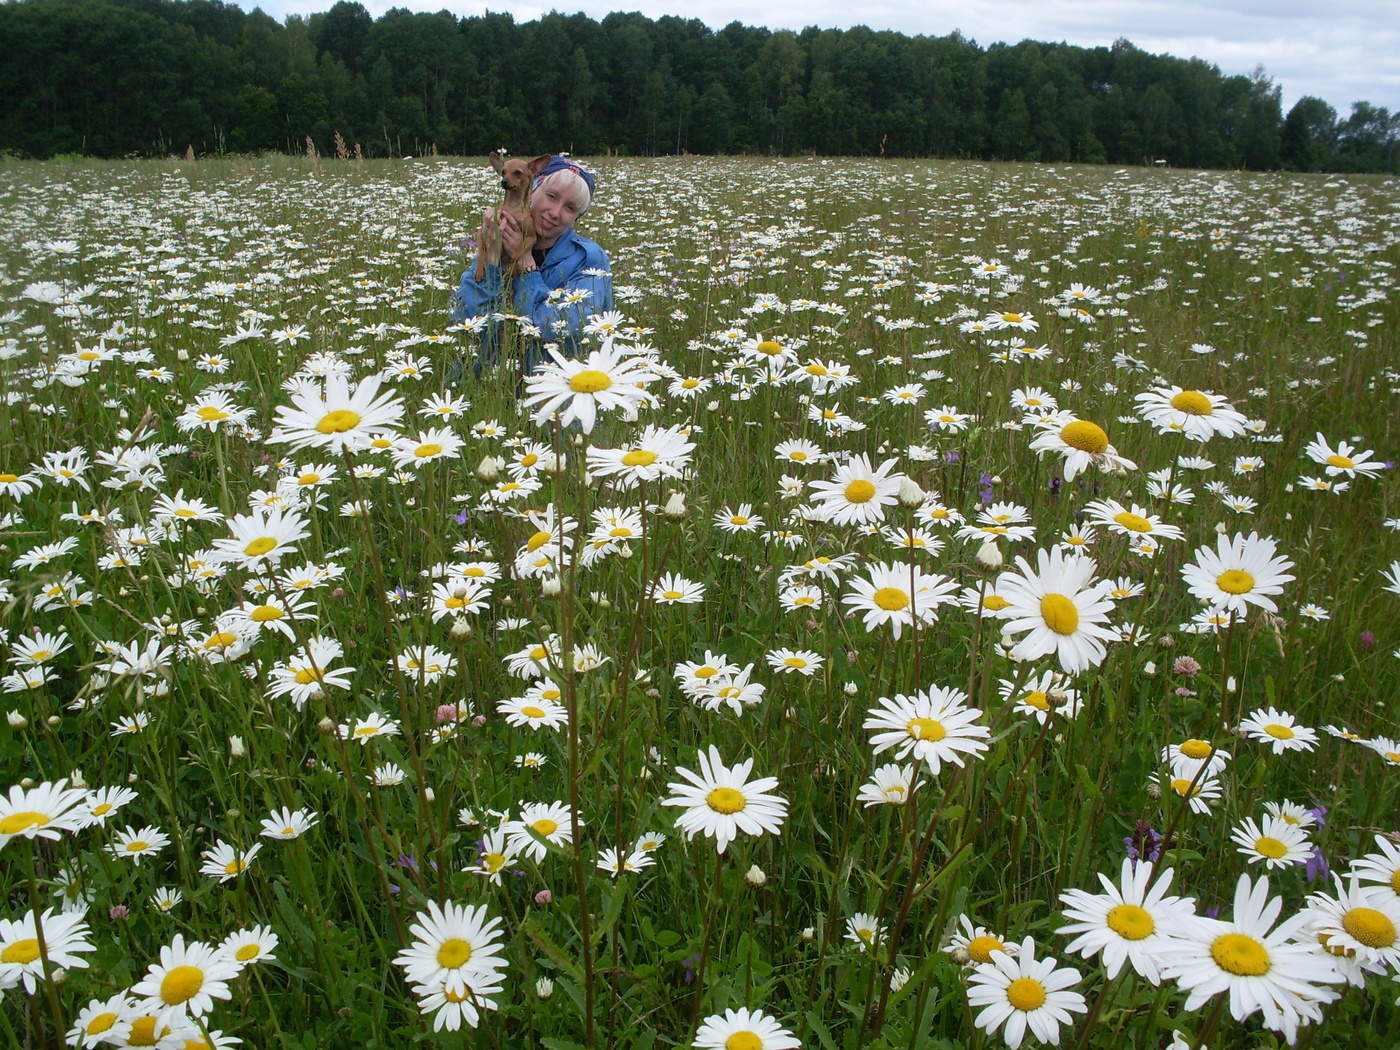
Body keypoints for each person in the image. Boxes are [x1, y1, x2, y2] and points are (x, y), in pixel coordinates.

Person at [450, 155, 614, 376]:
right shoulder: (499, 235)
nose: (555, 213)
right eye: (551, 196)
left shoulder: (588, 258)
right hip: (488, 386)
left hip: (552, 385)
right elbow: (466, 320)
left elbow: (553, 328)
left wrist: (525, 260)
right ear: (532, 189)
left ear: (577, 217)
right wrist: (492, 260)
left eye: (570, 208)